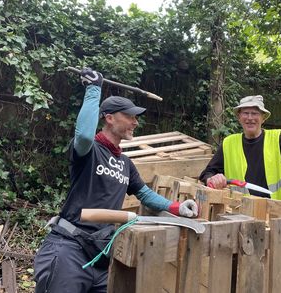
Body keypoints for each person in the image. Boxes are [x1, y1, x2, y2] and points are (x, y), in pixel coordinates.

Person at [34, 68, 198, 293]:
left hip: (100, 254)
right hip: (68, 248)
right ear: (109, 118)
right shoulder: (88, 151)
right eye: (130, 116)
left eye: (136, 117)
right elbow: (83, 135)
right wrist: (93, 89)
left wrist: (177, 207)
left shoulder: (126, 163)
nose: (135, 122)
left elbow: (144, 194)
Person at [199, 95, 281, 200]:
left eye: (255, 113)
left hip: (276, 214)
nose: (250, 118)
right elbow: (208, 173)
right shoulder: (229, 143)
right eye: (246, 113)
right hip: (239, 213)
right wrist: (212, 179)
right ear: (239, 117)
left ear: (263, 118)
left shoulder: (277, 138)